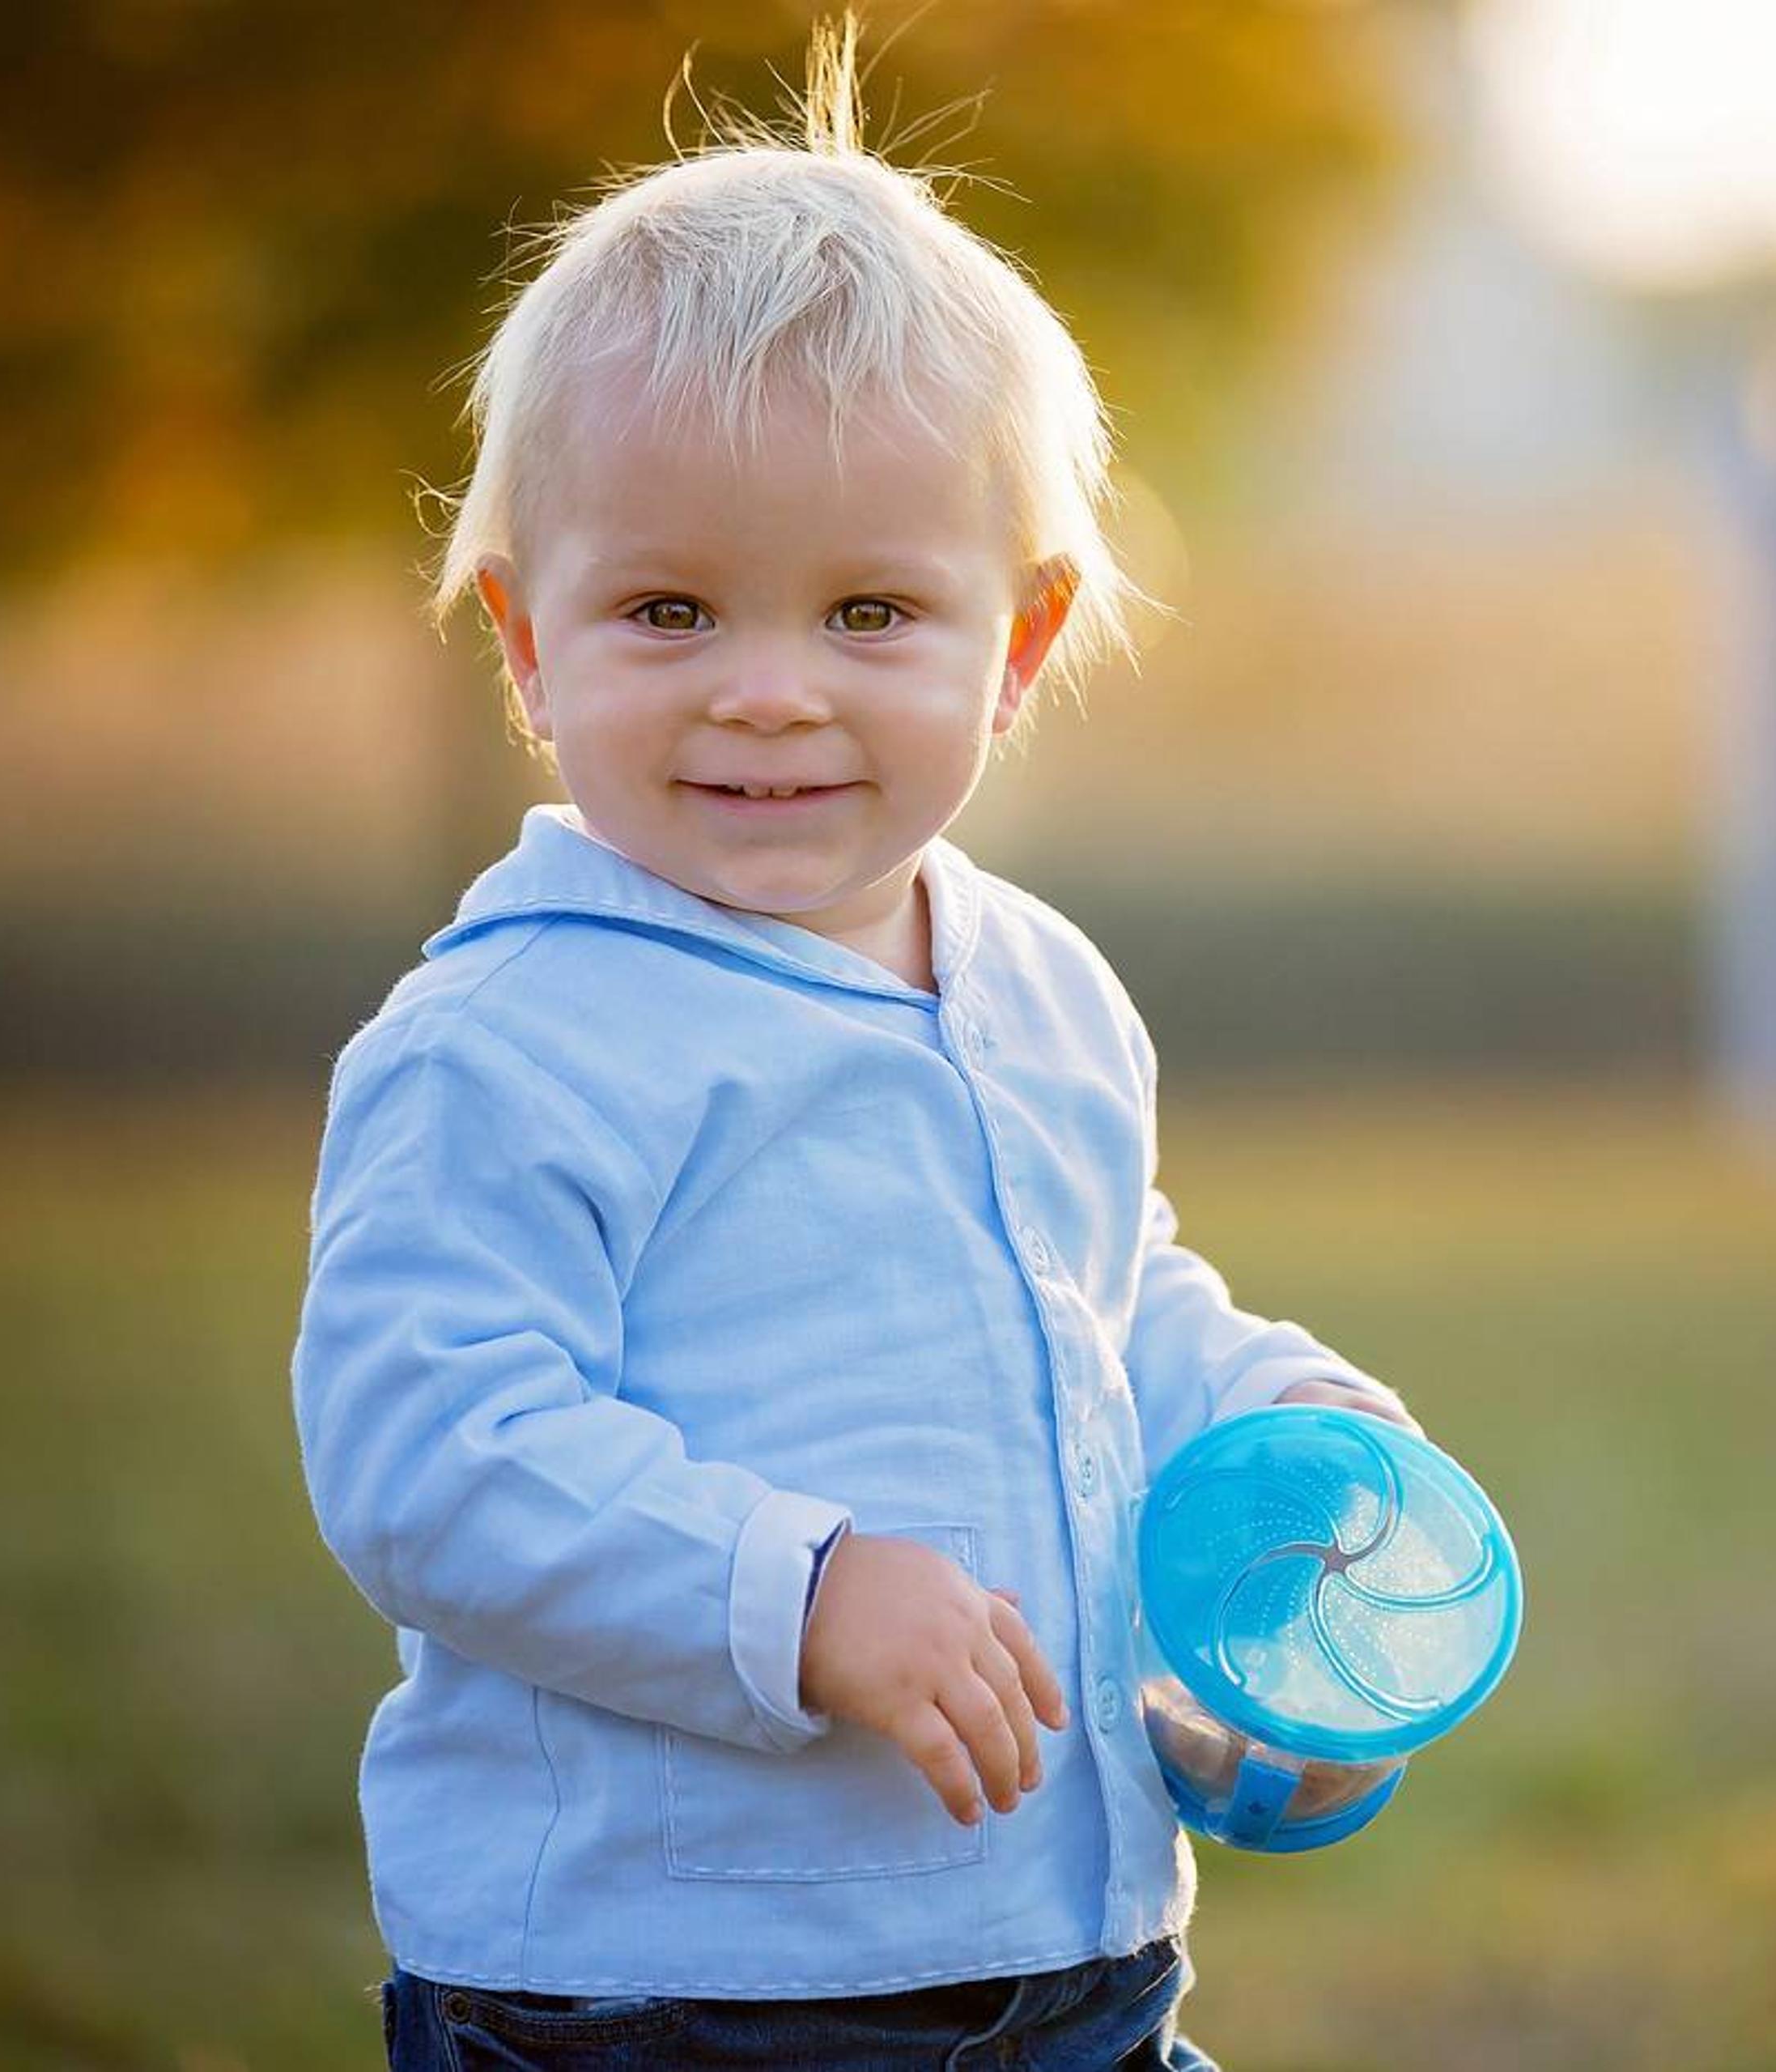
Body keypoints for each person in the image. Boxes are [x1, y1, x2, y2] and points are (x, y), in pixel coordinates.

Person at [288, 21, 1417, 2070]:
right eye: (668, 611)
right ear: (527, 645)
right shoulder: (511, 1043)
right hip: (674, 1993)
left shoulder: (1042, 988)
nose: (769, 691)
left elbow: (1102, 1294)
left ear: (1023, 643)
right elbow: (431, 1450)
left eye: (871, 613)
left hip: (1071, 1955)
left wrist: (1280, 1431)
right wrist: (795, 1590)